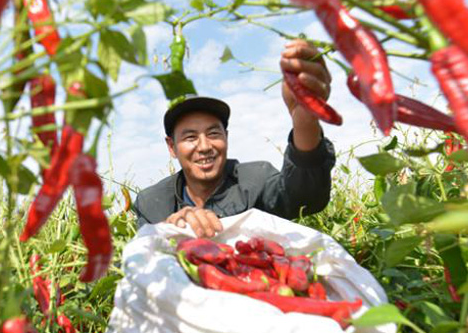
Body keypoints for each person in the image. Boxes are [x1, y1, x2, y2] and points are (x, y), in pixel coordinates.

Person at [133, 39, 336, 237]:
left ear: (226, 138)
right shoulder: (152, 204)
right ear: (172, 147)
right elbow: (146, 258)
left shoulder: (255, 180)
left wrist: (304, 119)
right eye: (190, 137)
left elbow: (305, 196)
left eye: (213, 133)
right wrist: (172, 231)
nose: (204, 146)